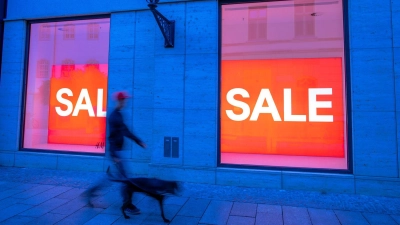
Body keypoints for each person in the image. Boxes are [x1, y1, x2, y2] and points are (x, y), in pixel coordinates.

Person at [84, 91, 146, 215]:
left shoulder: (118, 115)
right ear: (120, 101)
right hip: (116, 152)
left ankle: (90, 192)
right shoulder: (114, 117)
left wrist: (138, 141)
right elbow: (112, 137)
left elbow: (125, 131)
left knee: (113, 177)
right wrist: (114, 155)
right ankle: (128, 204)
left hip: (117, 151)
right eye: (124, 100)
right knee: (126, 179)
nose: (126, 102)